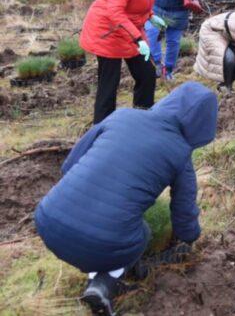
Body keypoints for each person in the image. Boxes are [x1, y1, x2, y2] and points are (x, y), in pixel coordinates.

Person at [35, 81, 217, 316]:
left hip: (47, 219)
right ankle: (104, 283)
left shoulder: (121, 116)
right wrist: (188, 240)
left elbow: (70, 164)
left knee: (106, 230)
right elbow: (183, 211)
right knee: (141, 234)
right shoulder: (180, 153)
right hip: (103, 241)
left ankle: (97, 283)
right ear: (201, 126)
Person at [80, 0, 173, 124]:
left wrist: (150, 16)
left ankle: (142, 121)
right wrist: (138, 39)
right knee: (109, 84)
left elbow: (136, 2)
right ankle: (102, 129)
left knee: (147, 75)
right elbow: (115, 11)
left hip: (129, 30)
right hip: (107, 31)